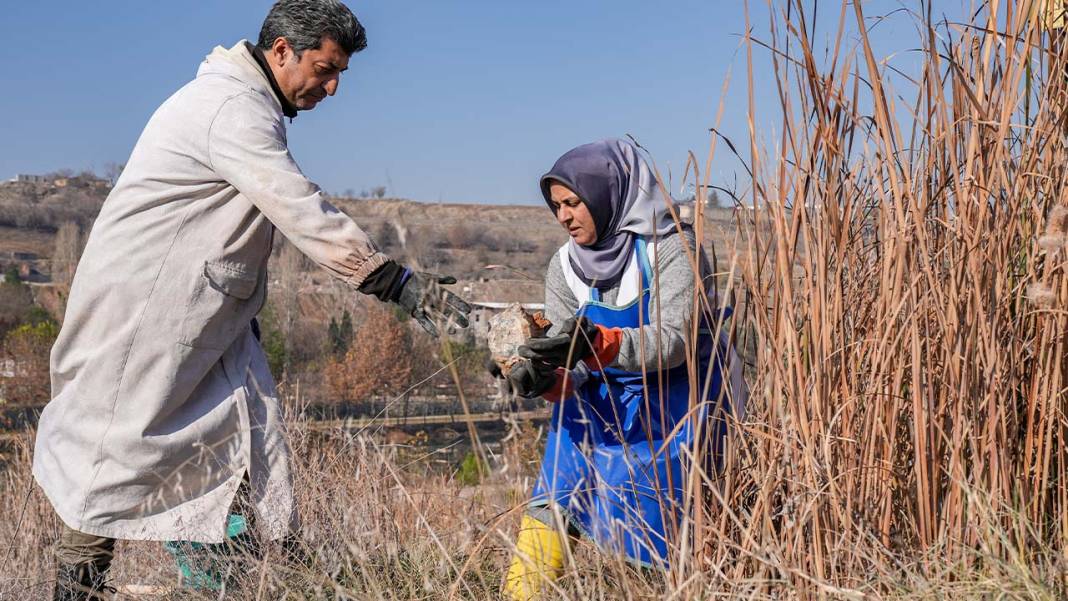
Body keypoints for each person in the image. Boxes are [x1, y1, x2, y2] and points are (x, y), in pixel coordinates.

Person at [33, 1, 470, 598]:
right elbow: (298, 206)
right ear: (282, 51)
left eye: (340, 71)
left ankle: (232, 585)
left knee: (224, 455)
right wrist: (398, 285)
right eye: (325, 68)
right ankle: (79, 590)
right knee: (113, 458)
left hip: (197, 321)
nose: (333, 86)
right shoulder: (230, 109)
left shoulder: (245, 105)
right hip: (144, 318)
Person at [503, 139, 746, 600]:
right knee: (554, 494)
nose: (565, 217)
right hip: (598, 398)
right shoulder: (564, 267)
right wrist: (549, 379)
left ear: (607, 194)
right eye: (556, 206)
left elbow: (674, 341)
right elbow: (568, 359)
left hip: (678, 400)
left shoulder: (672, 247)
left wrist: (602, 343)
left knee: (656, 521)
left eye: (574, 203)